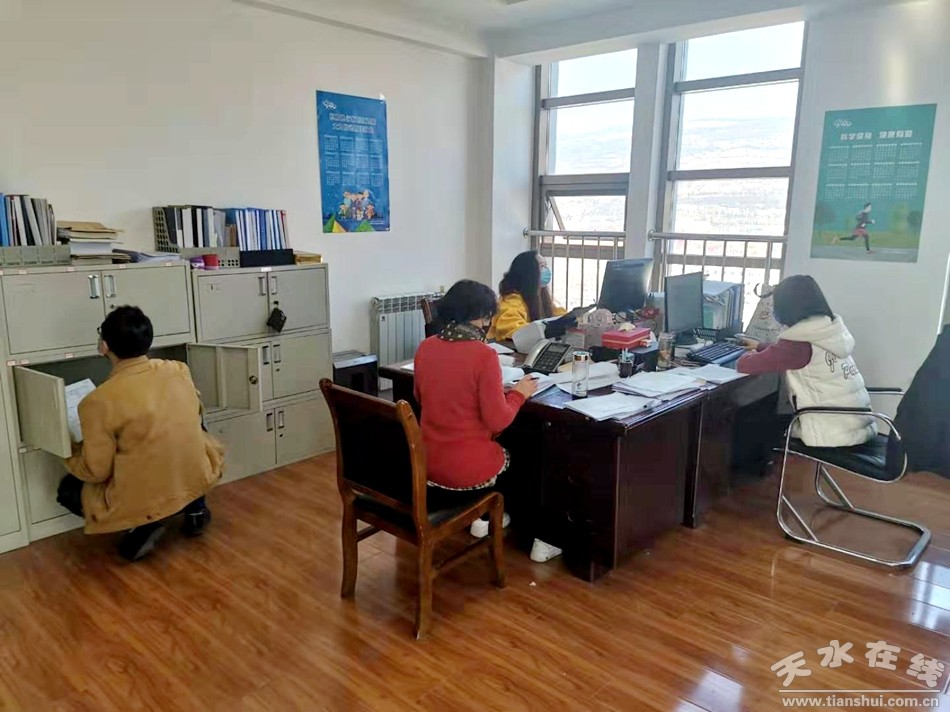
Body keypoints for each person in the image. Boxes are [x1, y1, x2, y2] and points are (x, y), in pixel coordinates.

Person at [57, 306, 225, 561]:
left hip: (146, 490)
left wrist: (68, 451)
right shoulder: (178, 370)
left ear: (104, 346)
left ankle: (142, 524)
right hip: (194, 473)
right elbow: (196, 412)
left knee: (69, 488)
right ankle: (195, 509)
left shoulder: (96, 402)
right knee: (190, 433)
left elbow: (96, 471)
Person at [413, 280, 562, 563]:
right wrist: (518, 394)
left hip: (427, 461)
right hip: (466, 470)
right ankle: (543, 538)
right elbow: (498, 422)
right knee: (532, 449)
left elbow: (421, 396)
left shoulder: (426, 347)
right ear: (482, 316)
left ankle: (483, 517)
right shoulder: (484, 355)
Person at [736, 275, 876, 448]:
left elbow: (744, 365)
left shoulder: (798, 344)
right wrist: (760, 346)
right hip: (857, 424)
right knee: (768, 409)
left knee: (750, 418)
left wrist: (745, 353)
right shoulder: (827, 331)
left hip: (829, 432)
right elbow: (791, 354)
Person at [489, 251, 566, 342]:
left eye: (546, 266)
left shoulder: (541, 296)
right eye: (542, 266)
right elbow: (517, 332)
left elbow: (557, 314)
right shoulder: (512, 301)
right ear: (528, 273)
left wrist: (572, 319)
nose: (547, 270)